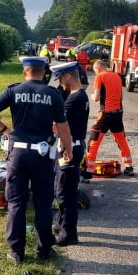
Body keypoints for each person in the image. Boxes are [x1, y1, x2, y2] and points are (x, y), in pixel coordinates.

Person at [0, 56, 73, 263]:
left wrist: (6, 130)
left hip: (18, 154)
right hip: (41, 156)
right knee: (42, 203)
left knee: (16, 203)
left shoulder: (13, 91)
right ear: (43, 73)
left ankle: (16, 252)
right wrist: (67, 150)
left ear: (25, 72)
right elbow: (63, 127)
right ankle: (43, 250)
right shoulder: (52, 94)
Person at [50, 61, 90, 246]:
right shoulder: (78, 95)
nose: (60, 83)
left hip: (69, 149)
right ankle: (60, 222)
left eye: (60, 78)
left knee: (65, 192)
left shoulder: (75, 99)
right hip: (71, 146)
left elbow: (57, 124)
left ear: (68, 76)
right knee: (62, 186)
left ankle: (69, 234)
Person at [85, 59, 134, 175]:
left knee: (94, 140)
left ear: (97, 68)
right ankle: (129, 167)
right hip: (118, 113)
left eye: (95, 71)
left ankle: (87, 171)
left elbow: (96, 98)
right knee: (121, 140)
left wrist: (91, 96)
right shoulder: (117, 76)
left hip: (106, 114)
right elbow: (121, 97)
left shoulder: (100, 76)